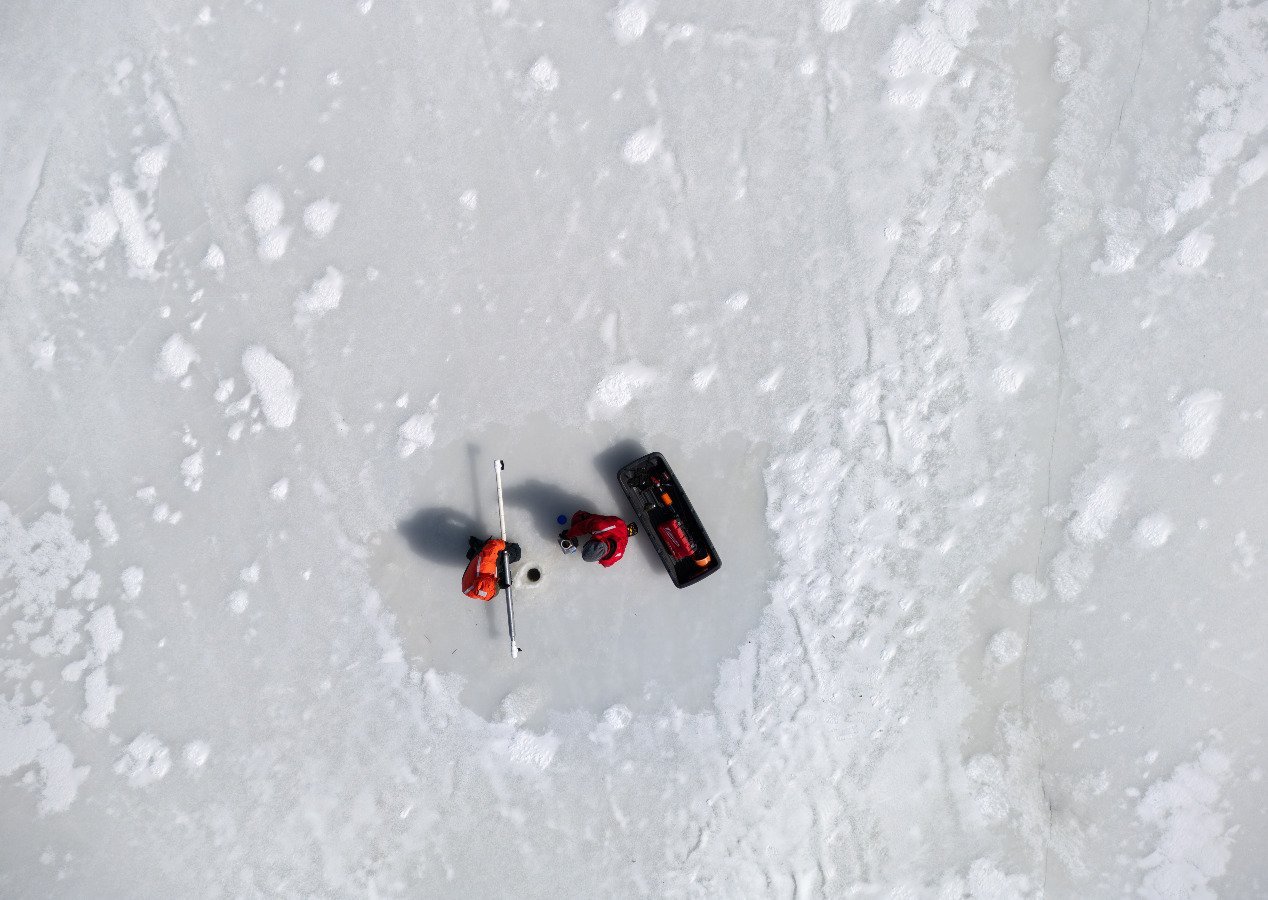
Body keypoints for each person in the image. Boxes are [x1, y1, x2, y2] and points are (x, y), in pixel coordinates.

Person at [558, 511, 638, 568]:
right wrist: (569, 534)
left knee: (578, 518)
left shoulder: (600, 528)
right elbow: (582, 527)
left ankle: (626, 532)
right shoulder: (609, 560)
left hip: (618, 530)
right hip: (616, 526)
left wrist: (569, 534)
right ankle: (626, 531)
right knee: (578, 517)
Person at [462, 535, 520, 600]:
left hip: (487, 557)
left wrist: (504, 545)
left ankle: (480, 547)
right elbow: (486, 590)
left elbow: (493, 544)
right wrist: (499, 585)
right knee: (506, 579)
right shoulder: (472, 592)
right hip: (475, 571)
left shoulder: (486, 564)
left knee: (516, 551)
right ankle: (476, 552)